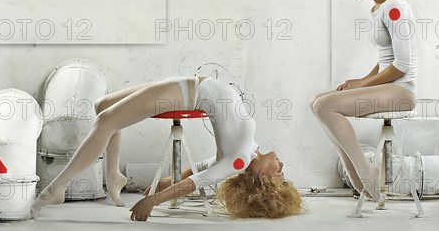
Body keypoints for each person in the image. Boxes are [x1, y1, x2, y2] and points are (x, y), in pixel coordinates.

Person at [31, 75, 302, 220]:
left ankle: (57, 189)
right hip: (189, 84)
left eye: (280, 173)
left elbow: (194, 183)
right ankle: (114, 176)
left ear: (263, 177)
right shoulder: (245, 151)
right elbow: (194, 172)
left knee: (104, 120)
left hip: (189, 93)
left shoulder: (240, 160)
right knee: (103, 106)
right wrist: (162, 183)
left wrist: (152, 201)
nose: (282, 166)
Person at [309, 0, 418, 206]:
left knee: (325, 106)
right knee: (317, 102)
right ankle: (359, 178)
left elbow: (402, 66)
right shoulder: (379, 8)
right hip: (389, 86)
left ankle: (365, 176)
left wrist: (364, 85)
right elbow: (386, 59)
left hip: (402, 92)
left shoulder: (396, 9)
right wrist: (362, 79)